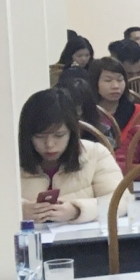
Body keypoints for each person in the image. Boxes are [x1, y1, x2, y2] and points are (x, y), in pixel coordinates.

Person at [18, 88, 123, 225]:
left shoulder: (95, 154)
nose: (49, 144)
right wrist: (18, 210)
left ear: (72, 133)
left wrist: (77, 210)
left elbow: (121, 201)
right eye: (40, 136)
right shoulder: (10, 160)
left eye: (59, 135)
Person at [90, 57, 137, 135]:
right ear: (94, 82)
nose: (116, 86)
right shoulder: (85, 113)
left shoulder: (139, 112)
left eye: (120, 80)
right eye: (108, 80)